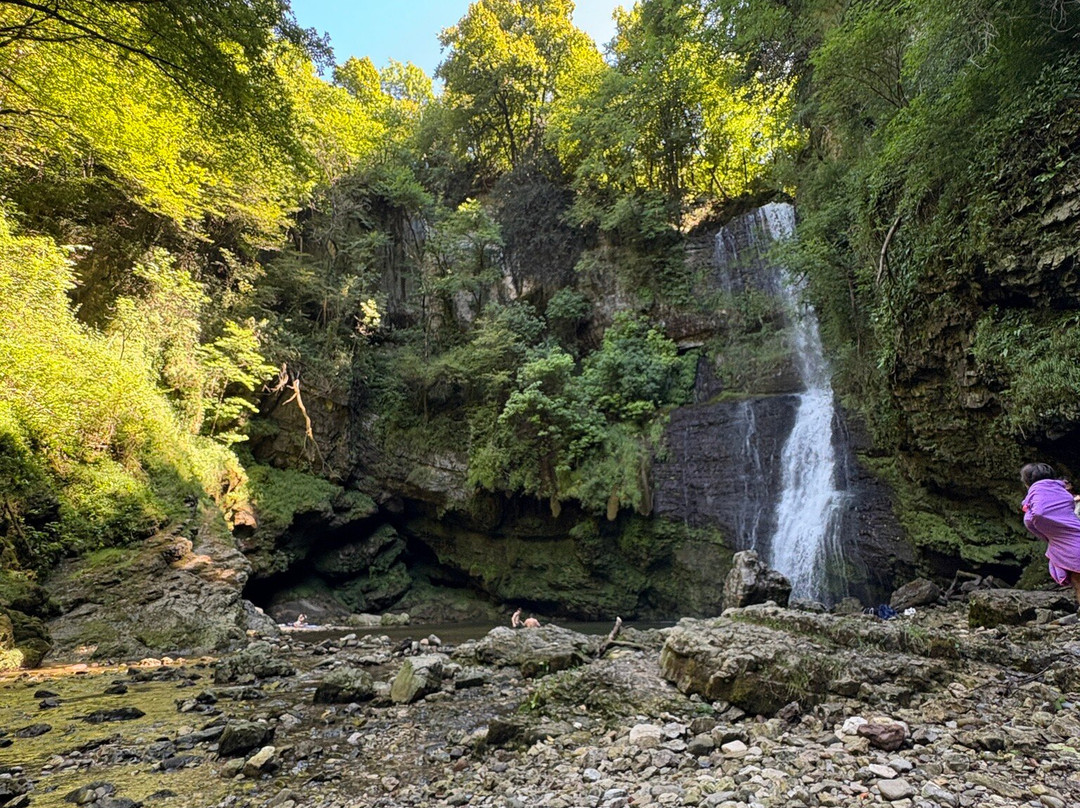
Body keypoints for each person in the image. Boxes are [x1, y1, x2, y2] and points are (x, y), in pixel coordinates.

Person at [1020, 463, 1080, 604]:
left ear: (1027, 482)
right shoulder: (1061, 492)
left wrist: (1045, 533)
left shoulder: (1037, 494)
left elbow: (1037, 515)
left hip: (1070, 546)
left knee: (1078, 584)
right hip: (1074, 537)